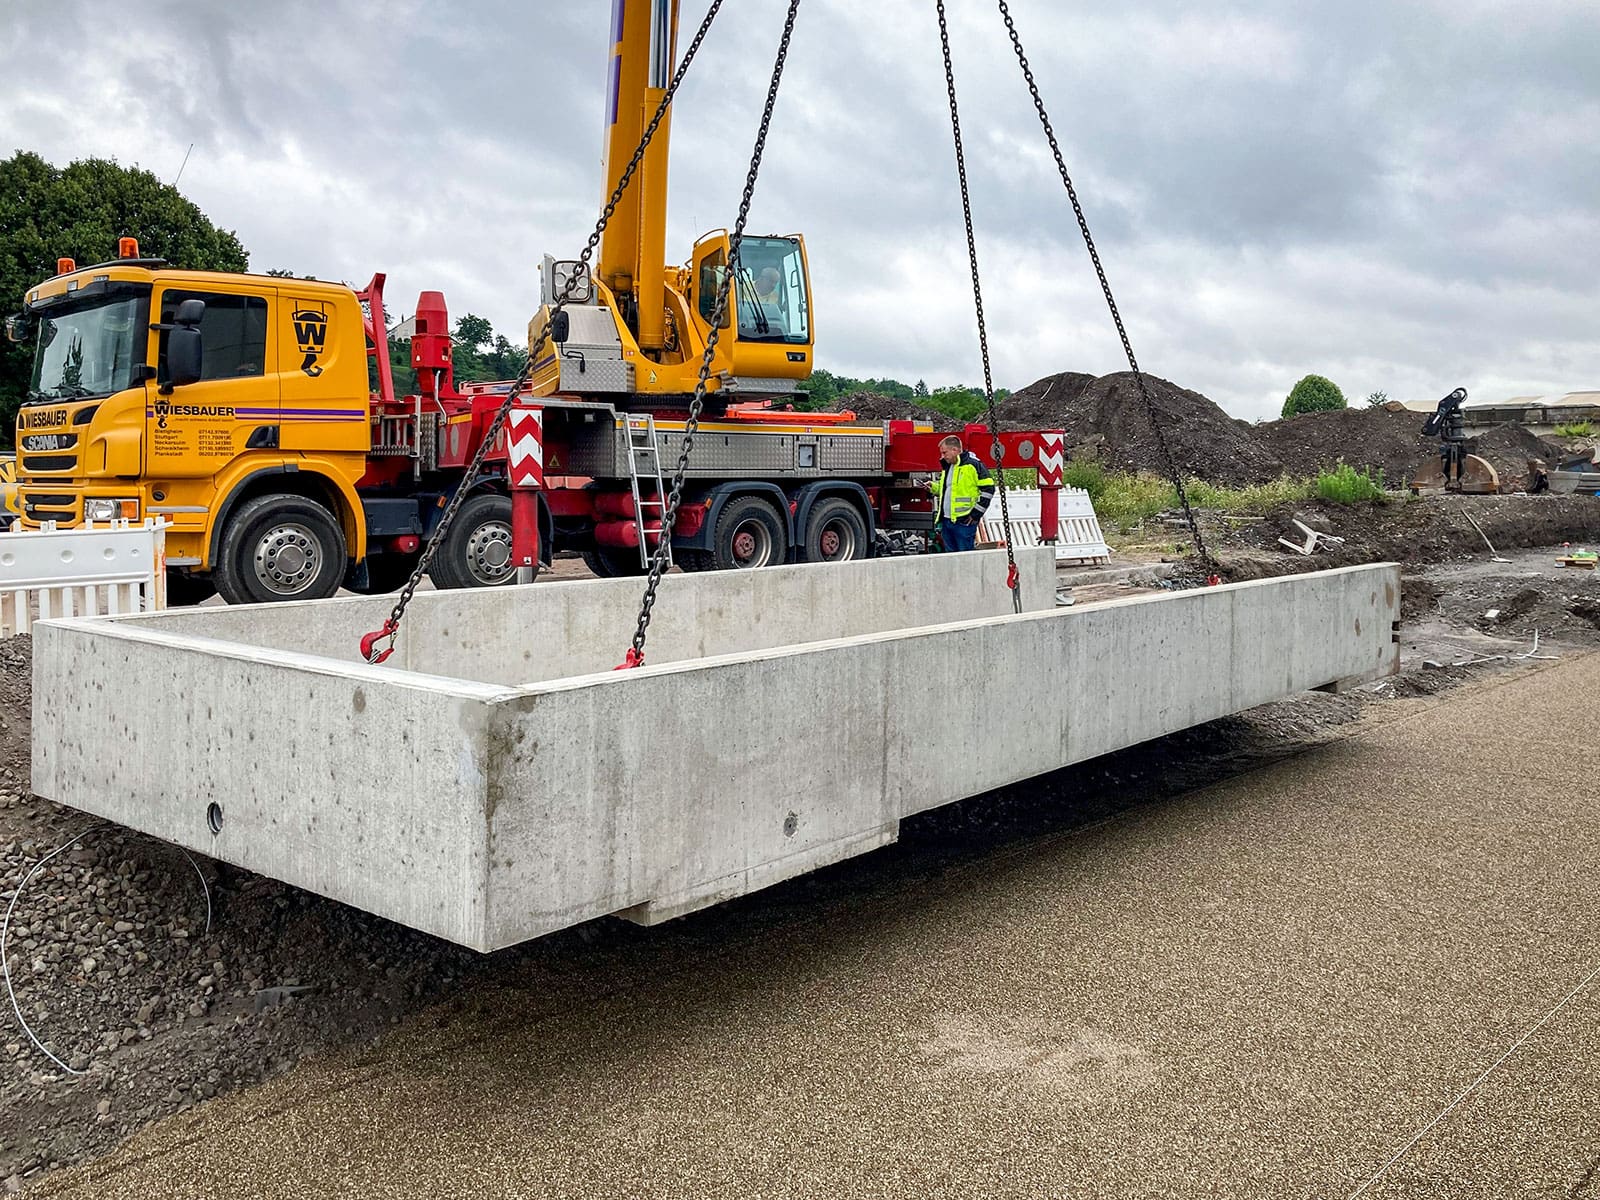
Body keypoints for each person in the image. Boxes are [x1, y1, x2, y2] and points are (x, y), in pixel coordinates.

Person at [927, 434, 995, 552]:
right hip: (947, 521)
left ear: (955, 450)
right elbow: (948, 490)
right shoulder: (948, 467)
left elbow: (989, 489)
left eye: (944, 453)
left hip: (964, 522)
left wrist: (976, 514)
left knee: (965, 560)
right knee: (951, 560)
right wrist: (933, 487)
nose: (942, 456)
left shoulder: (973, 465)